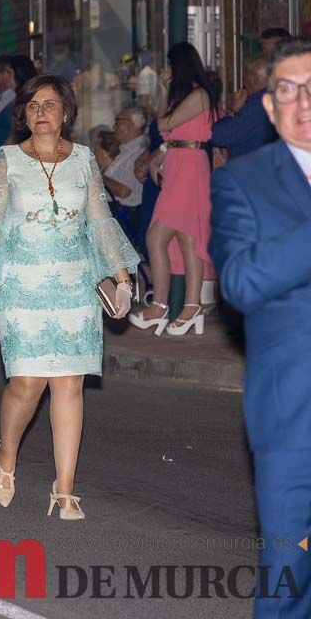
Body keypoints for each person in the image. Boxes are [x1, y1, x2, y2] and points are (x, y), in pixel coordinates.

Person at [0, 74, 138, 521]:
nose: (42, 111)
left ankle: (64, 490)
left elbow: (100, 220)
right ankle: (7, 456)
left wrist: (121, 278)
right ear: (24, 114)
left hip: (76, 285)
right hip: (20, 286)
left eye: (51, 104)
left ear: (66, 113)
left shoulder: (82, 160)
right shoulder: (7, 160)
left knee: (69, 382)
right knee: (27, 382)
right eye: (34, 105)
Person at [210, 38, 311, 619]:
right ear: (268, 108)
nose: (300, 103)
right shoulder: (242, 182)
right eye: (286, 91)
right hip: (295, 416)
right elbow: (242, 283)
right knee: (290, 576)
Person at [129, 42, 219, 337]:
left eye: (170, 65)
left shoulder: (199, 95)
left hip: (191, 166)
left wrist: (165, 91)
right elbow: (163, 131)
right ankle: (170, 305)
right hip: (180, 164)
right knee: (173, 238)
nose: (167, 71)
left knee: (177, 236)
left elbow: (164, 122)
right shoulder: (188, 95)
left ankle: (180, 304)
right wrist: (164, 91)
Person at [211, 56, 277, 160]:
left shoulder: (257, 104)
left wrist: (233, 111)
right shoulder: (276, 99)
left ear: (253, 79)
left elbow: (219, 136)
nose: (244, 84)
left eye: (244, 78)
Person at [100, 105, 149, 218]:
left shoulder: (139, 152)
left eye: (117, 122)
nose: (113, 126)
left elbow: (123, 191)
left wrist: (101, 178)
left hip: (124, 215)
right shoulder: (127, 149)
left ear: (129, 125)